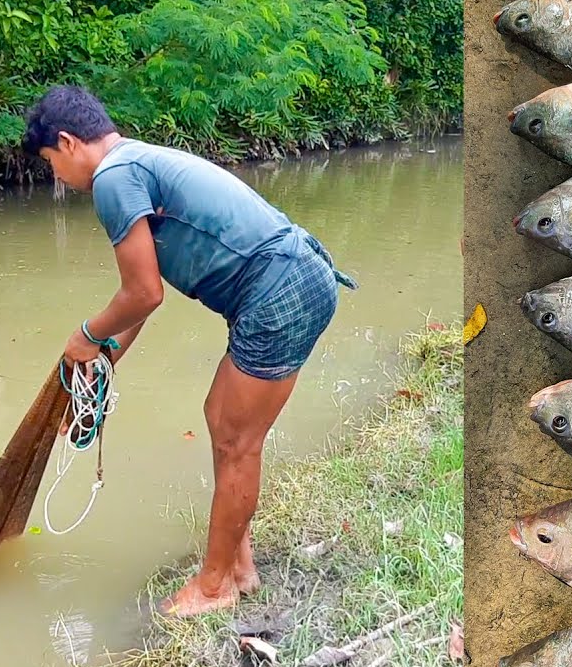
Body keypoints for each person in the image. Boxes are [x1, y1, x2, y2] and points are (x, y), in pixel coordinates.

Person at [21, 85, 357, 617]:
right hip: (284, 281)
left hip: (281, 289)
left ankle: (215, 586)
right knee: (220, 420)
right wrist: (104, 360)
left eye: (50, 164)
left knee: (237, 441)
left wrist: (84, 335)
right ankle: (238, 566)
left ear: (66, 142)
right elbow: (142, 300)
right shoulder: (135, 163)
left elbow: (142, 293)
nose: (57, 179)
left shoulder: (112, 178)